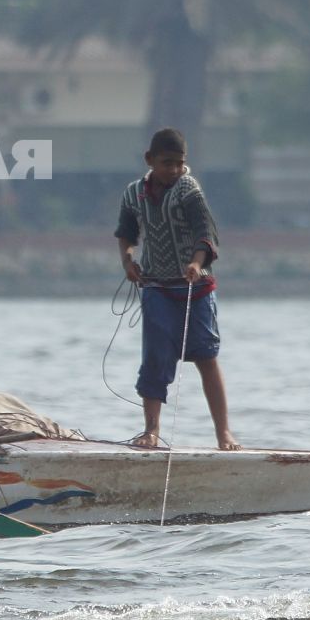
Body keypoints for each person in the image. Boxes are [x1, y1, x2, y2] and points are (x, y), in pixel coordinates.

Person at [115, 128, 238, 451]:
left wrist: (197, 263)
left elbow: (205, 232)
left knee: (206, 357)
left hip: (195, 289)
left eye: (178, 163)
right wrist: (128, 263)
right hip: (156, 286)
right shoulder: (133, 194)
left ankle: (224, 434)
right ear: (150, 160)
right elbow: (126, 233)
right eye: (166, 163)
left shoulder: (188, 189)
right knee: (155, 358)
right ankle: (151, 431)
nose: (173, 169)